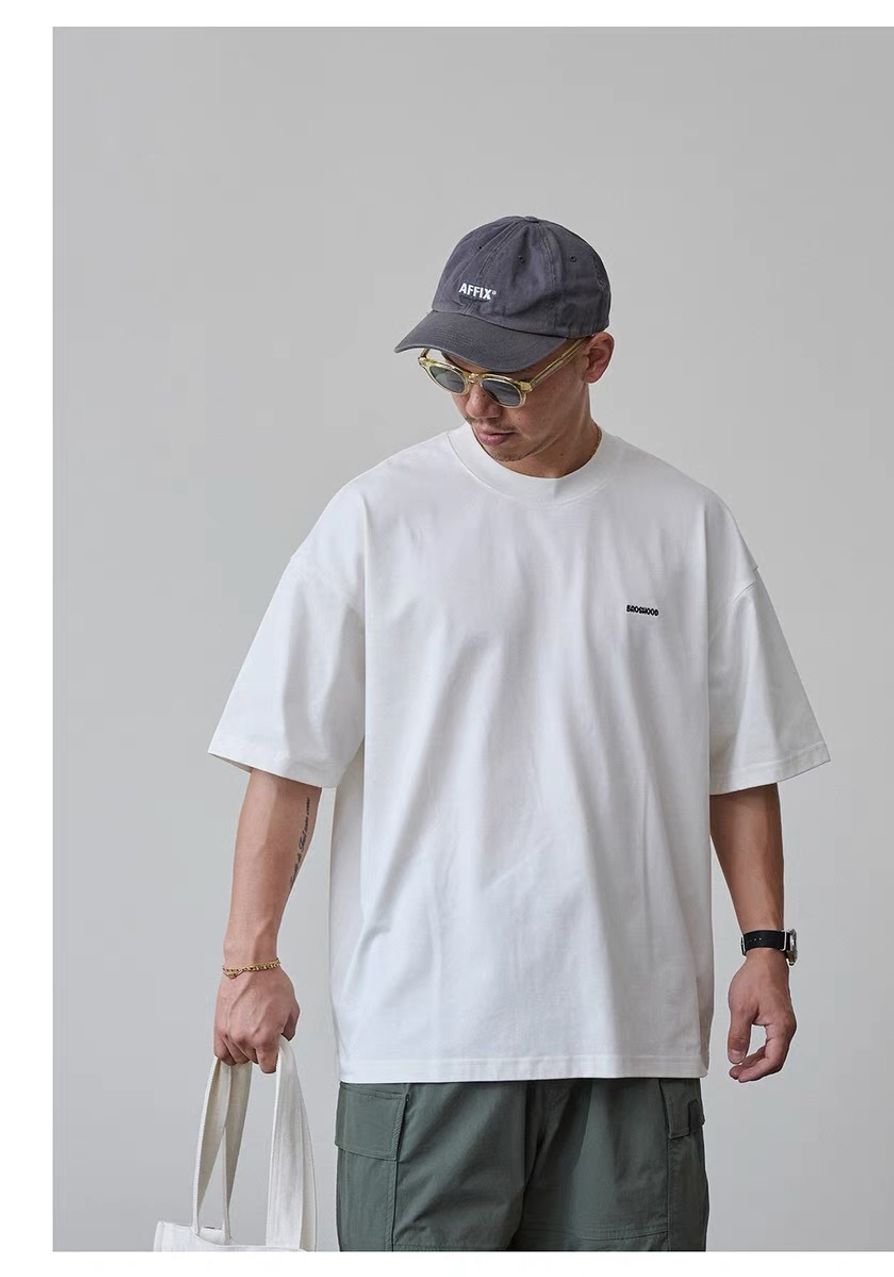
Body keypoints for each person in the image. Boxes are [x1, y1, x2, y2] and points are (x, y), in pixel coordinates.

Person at [207, 214, 831, 1251]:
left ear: (596, 357)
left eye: (507, 379)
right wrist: (246, 963)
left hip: (629, 1037)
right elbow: (286, 760)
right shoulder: (378, 518)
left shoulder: (684, 523)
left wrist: (765, 946)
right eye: (449, 371)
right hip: (426, 1037)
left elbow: (739, 760)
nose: (475, 404)